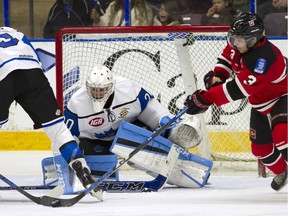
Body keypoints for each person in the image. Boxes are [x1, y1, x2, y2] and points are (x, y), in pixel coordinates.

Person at [62, 64, 211, 191]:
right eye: (94, 89)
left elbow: (152, 110)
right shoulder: (76, 104)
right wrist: (73, 161)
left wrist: (167, 124)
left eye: (102, 90)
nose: (98, 93)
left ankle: (189, 170)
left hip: (128, 133)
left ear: (112, 87)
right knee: (99, 184)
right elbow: (65, 137)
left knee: (140, 152)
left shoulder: (129, 89)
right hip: (93, 141)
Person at [184, 13, 288, 191]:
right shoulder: (240, 44)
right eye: (233, 38)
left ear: (255, 38)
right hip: (260, 103)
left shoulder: (265, 59)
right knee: (260, 150)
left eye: (239, 39)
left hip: (283, 97)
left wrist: (205, 98)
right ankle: (283, 172)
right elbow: (226, 58)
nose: (234, 43)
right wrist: (218, 76)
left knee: (282, 136)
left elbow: (237, 90)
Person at [0, 27, 102, 201]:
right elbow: (35, 57)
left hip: (3, 76)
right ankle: (83, 170)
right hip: (33, 73)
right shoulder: (13, 31)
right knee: (58, 128)